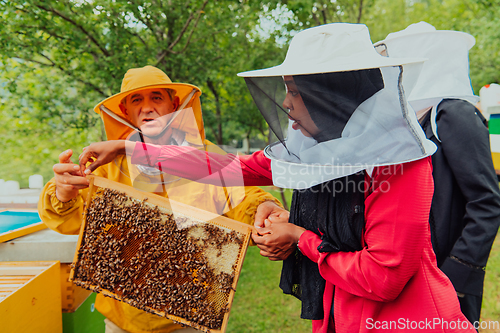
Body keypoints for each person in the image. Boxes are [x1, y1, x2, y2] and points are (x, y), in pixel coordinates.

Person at [80, 24, 477, 332]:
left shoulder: (400, 166)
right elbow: (228, 169)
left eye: (295, 91)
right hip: (341, 314)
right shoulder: (316, 150)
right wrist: (128, 149)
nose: (285, 102)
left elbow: (382, 277)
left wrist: (299, 238)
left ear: (330, 95)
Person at [38, 65, 283, 333]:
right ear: (125, 111)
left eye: (157, 98)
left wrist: (264, 207)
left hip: (189, 317)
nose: (147, 107)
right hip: (123, 320)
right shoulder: (106, 166)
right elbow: (69, 221)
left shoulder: (204, 156)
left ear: (174, 104)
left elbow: (242, 195)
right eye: (136, 100)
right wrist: (63, 192)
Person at [374, 22, 500, 325]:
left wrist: (457, 274)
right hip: (412, 273)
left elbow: (487, 202)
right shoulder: (414, 119)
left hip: (446, 278)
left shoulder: (453, 113)